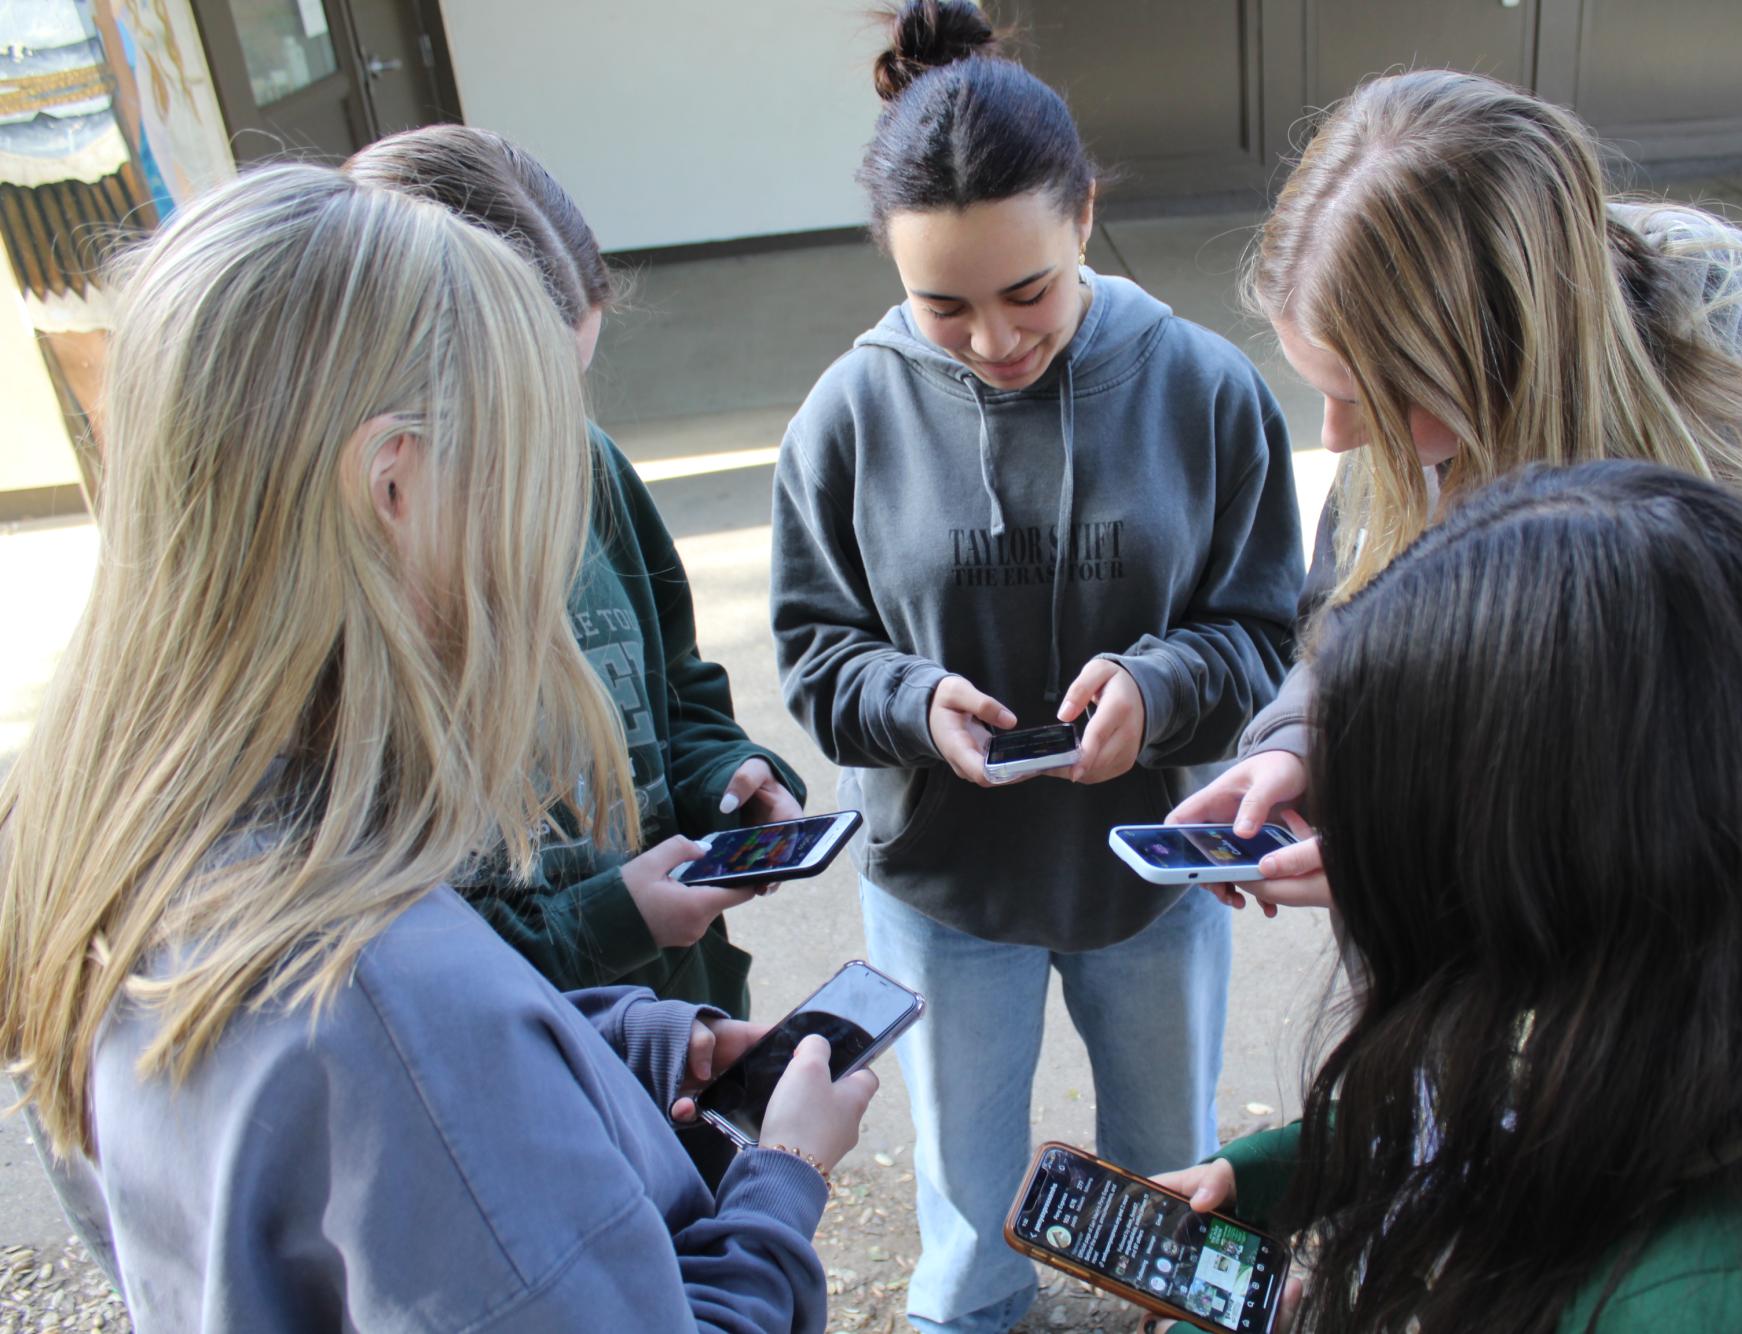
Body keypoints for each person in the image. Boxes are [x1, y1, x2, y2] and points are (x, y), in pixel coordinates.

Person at [0, 163, 874, 1329]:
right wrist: (781, 1183)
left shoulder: (99, 824)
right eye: (530, 472)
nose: (551, 534)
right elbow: (428, 1067)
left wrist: (622, 1040)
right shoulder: (393, 1006)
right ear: (393, 485)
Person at [1143, 462, 1742, 1334]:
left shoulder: (1730, 1302)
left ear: (1544, 870)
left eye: (1390, 827)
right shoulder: (1707, 1045)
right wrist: (1281, 1178)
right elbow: (1505, 1135)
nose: (1362, 868)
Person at [769, 3, 1304, 1328]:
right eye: (939, 304)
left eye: (1028, 295)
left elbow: (1263, 630)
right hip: (945, 886)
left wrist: (1163, 688)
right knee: (970, 1209)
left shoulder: (1203, 387)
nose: (995, 342)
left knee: (1164, 1193)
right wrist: (909, 700)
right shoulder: (847, 413)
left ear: (1085, 217)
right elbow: (813, 649)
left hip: (1150, 873)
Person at [1169, 70, 1742, 914]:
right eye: (1325, 387)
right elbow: (1342, 622)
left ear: (1499, 357)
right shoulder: (1417, 434)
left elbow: (1692, 858)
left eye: (1370, 397)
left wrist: (1411, 859)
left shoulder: (1727, 521)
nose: (1337, 438)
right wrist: (1305, 742)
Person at [345, 125, 807, 1018]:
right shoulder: (365, 604)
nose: (555, 439)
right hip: (546, 1050)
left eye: (572, 388)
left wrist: (724, 776)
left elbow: (675, 684)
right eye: (522, 406)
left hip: (683, 1013)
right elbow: (425, 964)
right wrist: (612, 920)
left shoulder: (589, 466)